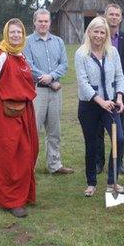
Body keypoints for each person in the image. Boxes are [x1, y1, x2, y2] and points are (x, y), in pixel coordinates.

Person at [0, 18, 39, 218]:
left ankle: (23, 195)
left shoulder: (21, 56)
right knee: (9, 157)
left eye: (19, 32)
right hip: (6, 113)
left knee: (27, 152)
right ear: (6, 34)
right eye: (12, 32)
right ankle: (10, 200)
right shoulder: (1, 56)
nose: (16, 36)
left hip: (25, 111)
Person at [75, 16, 124, 197]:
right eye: (95, 31)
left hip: (111, 105)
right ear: (89, 32)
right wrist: (100, 101)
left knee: (119, 139)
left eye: (102, 32)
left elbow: (120, 76)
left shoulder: (113, 51)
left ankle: (112, 182)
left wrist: (119, 98)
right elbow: (83, 83)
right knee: (91, 144)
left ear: (106, 34)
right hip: (89, 106)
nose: (98, 35)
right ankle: (91, 182)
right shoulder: (81, 54)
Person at [23, 9, 74, 175]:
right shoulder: (27, 42)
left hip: (55, 92)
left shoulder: (58, 42)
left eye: (46, 21)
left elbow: (64, 65)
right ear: (34, 22)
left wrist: (51, 77)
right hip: (36, 92)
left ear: (50, 23)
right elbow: (28, 66)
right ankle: (28, 166)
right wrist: (48, 80)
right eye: (40, 21)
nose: (43, 24)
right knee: (33, 131)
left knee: (54, 130)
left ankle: (55, 165)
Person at [96, 4, 124, 175]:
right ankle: (99, 163)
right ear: (105, 16)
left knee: (120, 130)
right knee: (99, 128)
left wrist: (119, 84)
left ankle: (118, 163)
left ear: (121, 18)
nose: (113, 17)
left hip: (120, 93)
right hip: (100, 94)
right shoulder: (98, 38)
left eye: (116, 14)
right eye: (110, 14)